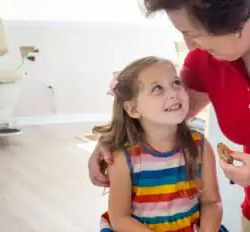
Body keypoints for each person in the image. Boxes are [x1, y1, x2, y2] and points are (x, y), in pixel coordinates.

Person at [89, 0, 250, 231]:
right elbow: (159, 113)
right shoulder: (207, 57)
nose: (192, 45)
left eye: (194, 33)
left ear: (234, 20)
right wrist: (111, 141)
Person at [93, 56, 222, 232]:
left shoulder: (200, 146)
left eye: (176, 82)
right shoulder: (123, 157)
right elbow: (119, 218)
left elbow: (212, 202)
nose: (173, 93)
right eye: (158, 88)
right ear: (133, 109)